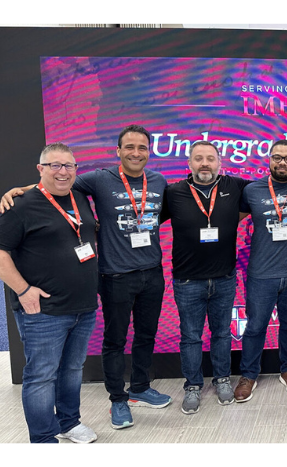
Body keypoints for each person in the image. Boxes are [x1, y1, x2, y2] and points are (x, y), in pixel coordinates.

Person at [0, 125, 172, 429]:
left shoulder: (158, 181)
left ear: (149, 151)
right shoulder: (98, 179)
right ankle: (118, 400)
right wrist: (19, 191)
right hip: (115, 274)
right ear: (118, 151)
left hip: (152, 273)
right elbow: (55, 182)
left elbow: (158, 215)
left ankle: (140, 388)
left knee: (146, 336)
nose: (135, 153)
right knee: (115, 340)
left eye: (142, 147)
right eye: (129, 147)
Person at [0, 143, 98, 444]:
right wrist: (23, 290)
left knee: (72, 369)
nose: (62, 171)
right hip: (43, 311)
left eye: (68, 165)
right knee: (41, 376)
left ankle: (69, 422)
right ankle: (43, 438)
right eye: (54, 165)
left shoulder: (79, 197)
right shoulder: (20, 205)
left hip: (83, 306)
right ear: (40, 169)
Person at [160, 140, 251, 414]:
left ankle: (222, 379)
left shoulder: (235, 186)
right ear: (189, 163)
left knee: (222, 333)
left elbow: (271, 185)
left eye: (210, 158)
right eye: (198, 158)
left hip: (224, 277)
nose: (204, 164)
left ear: (219, 163)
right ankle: (192, 386)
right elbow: (147, 219)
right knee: (190, 337)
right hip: (187, 280)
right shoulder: (173, 192)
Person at [236, 140, 287, 402]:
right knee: (255, 326)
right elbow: (230, 219)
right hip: (261, 274)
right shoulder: (252, 190)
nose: (283, 163)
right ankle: (249, 374)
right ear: (269, 159)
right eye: (277, 157)